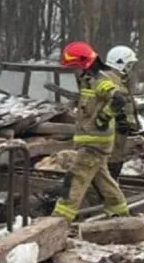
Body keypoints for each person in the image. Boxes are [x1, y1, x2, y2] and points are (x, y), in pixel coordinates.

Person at [53, 42, 132, 221]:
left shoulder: (100, 79)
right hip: (93, 141)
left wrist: (103, 118)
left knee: (74, 180)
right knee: (103, 181)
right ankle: (119, 212)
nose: (73, 71)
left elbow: (118, 98)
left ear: (84, 63)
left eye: (74, 67)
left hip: (95, 143)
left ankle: (59, 220)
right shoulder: (89, 79)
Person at [105, 45, 142, 179]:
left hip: (121, 128)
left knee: (118, 157)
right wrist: (119, 119)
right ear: (121, 63)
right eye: (129, 65)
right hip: (112, 128)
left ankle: (113, 182)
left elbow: (128, 104)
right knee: (112, 157)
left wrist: (133, 123)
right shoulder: (109, 80)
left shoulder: (122, 81)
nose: (131, 69)